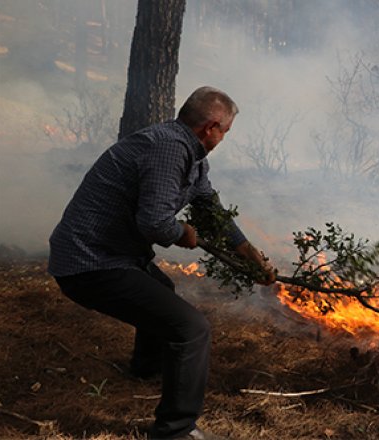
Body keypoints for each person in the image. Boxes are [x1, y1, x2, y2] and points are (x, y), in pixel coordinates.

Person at [48, 86, 276, 440]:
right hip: (90, 262)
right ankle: (176, 430)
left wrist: (249, 254)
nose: (224, 138)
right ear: (211, 127)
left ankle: (146, 369)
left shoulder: (191, 153)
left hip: (113, 255)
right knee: (191, 329)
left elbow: (210, 209)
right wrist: (182, 231)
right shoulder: (169, 149)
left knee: (163, 290)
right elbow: (153, 222)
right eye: (226, 131)